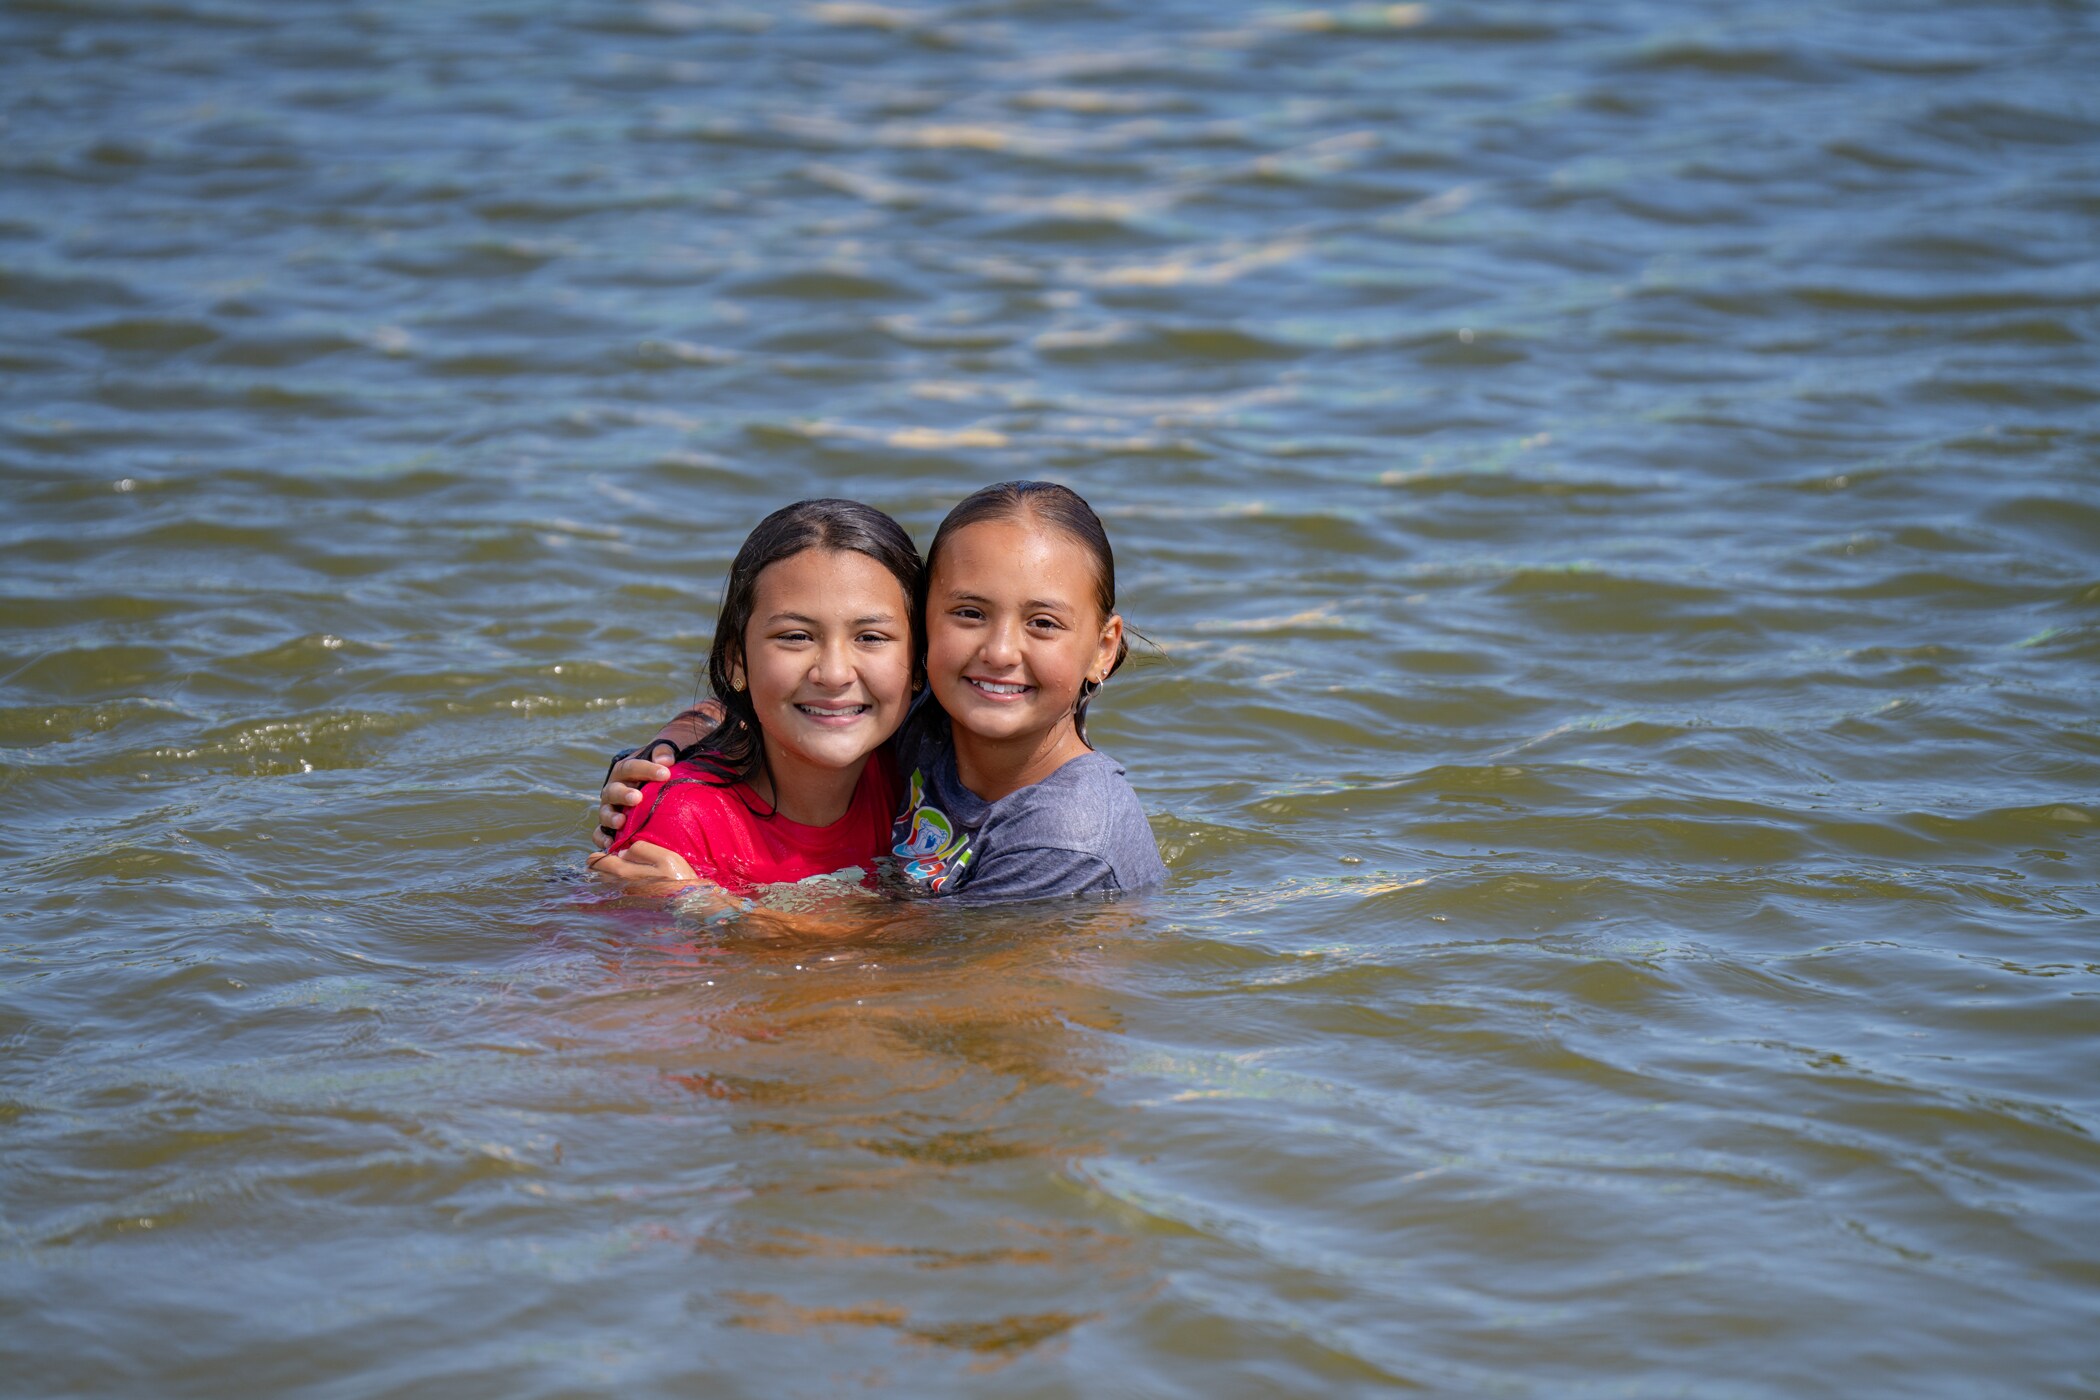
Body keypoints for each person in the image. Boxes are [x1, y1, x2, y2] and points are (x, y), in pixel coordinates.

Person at [597, 482, 1167, 903]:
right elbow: (782, 698)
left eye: (1043, 623)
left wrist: (715, 909)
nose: (998, 652)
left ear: (1103, 647)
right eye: (969, 613)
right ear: (923, 641)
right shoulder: (927, 722)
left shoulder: (1066, 841)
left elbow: (929, 982)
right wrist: (664, 756)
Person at [584, 498, 919, 903]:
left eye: (870, 638)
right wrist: (696, 903)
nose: (833, 674)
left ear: (919, 665)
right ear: (736, 661)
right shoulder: (680, 824)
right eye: (795, 636)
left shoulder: (919, 770)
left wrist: (726, 911)